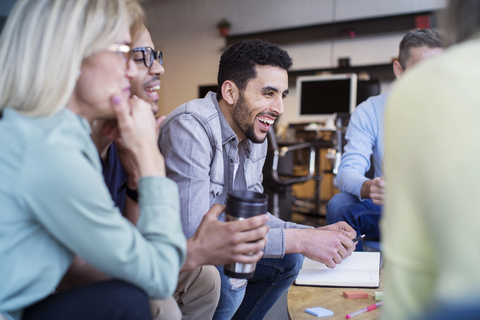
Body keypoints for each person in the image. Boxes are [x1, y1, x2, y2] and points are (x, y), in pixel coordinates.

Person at [0, 1, 186, 319]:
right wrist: (150, 161)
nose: (131, 70)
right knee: (125, 301)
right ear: (69, 55)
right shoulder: (48, 147)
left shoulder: (54, 130)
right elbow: (160, 275)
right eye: (122, 51)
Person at [159, 39, 357, 320]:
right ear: (229, 91)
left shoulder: (254, 132)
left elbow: (254, 217)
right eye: (268, 93)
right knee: (230, 277)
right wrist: (299, 239)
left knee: (289, 259)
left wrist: (311, 234)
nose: (279, 108)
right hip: (184, 256)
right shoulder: (191, 128)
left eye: (283, 95)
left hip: (212, 248)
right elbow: (195, 236)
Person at [83, 25, 270, 320]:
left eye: (155, 55)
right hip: (60, 285)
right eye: (140, 55)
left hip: (121, 261)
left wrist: (136, 180)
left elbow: (135, 240)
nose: (159, 67)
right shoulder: (62, 143)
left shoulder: (119, 138)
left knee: (205, 278)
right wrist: (148, 165)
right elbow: (108, 265)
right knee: (169, 302)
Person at [381, 0, 480, 319]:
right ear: (399, 68)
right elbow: (351, 169)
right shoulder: (372, 109)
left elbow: (410, 261)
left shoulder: (419, 91)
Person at [326, 28, 443, 250]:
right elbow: (346, 171)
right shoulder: (371, 110)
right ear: (399, 69)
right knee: (340, 205)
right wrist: (368, 187)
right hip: (392, 209)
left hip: (445, 213)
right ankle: (354, 280)